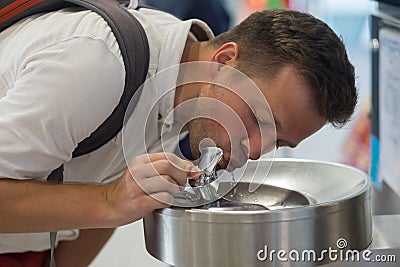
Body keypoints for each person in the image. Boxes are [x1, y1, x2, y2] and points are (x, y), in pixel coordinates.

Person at [0, 0, 357, 266]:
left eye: (280, 142)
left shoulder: (184, 89)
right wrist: (109, 201)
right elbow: (108, 199)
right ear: (222, 62)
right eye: (260, 118)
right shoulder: (97, 64)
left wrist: (116, 205)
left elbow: (111, 186)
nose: (259, 150)